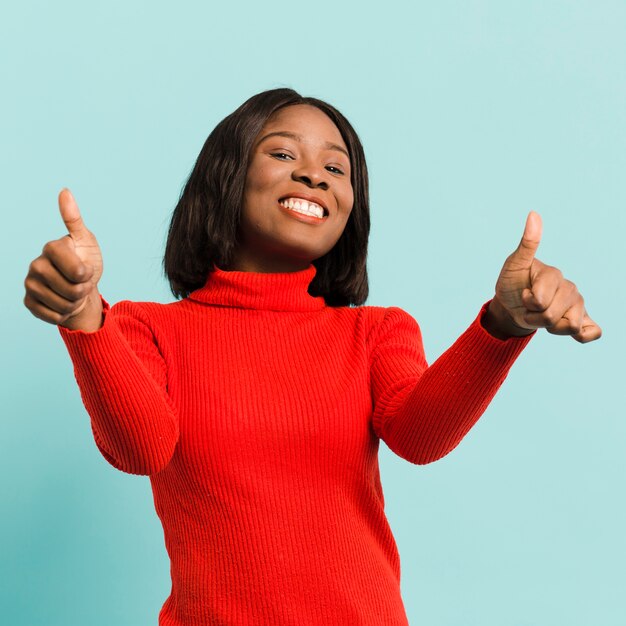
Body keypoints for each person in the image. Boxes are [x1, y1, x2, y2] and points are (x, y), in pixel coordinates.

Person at [23, 88, 601, 625]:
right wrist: (83, 317)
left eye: (335, 168)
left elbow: (420, 439)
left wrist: (503, 322)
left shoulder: (376, 332)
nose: (314, 176)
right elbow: (140, 448)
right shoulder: (145, 328)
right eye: (282, 153)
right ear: (227, 177)